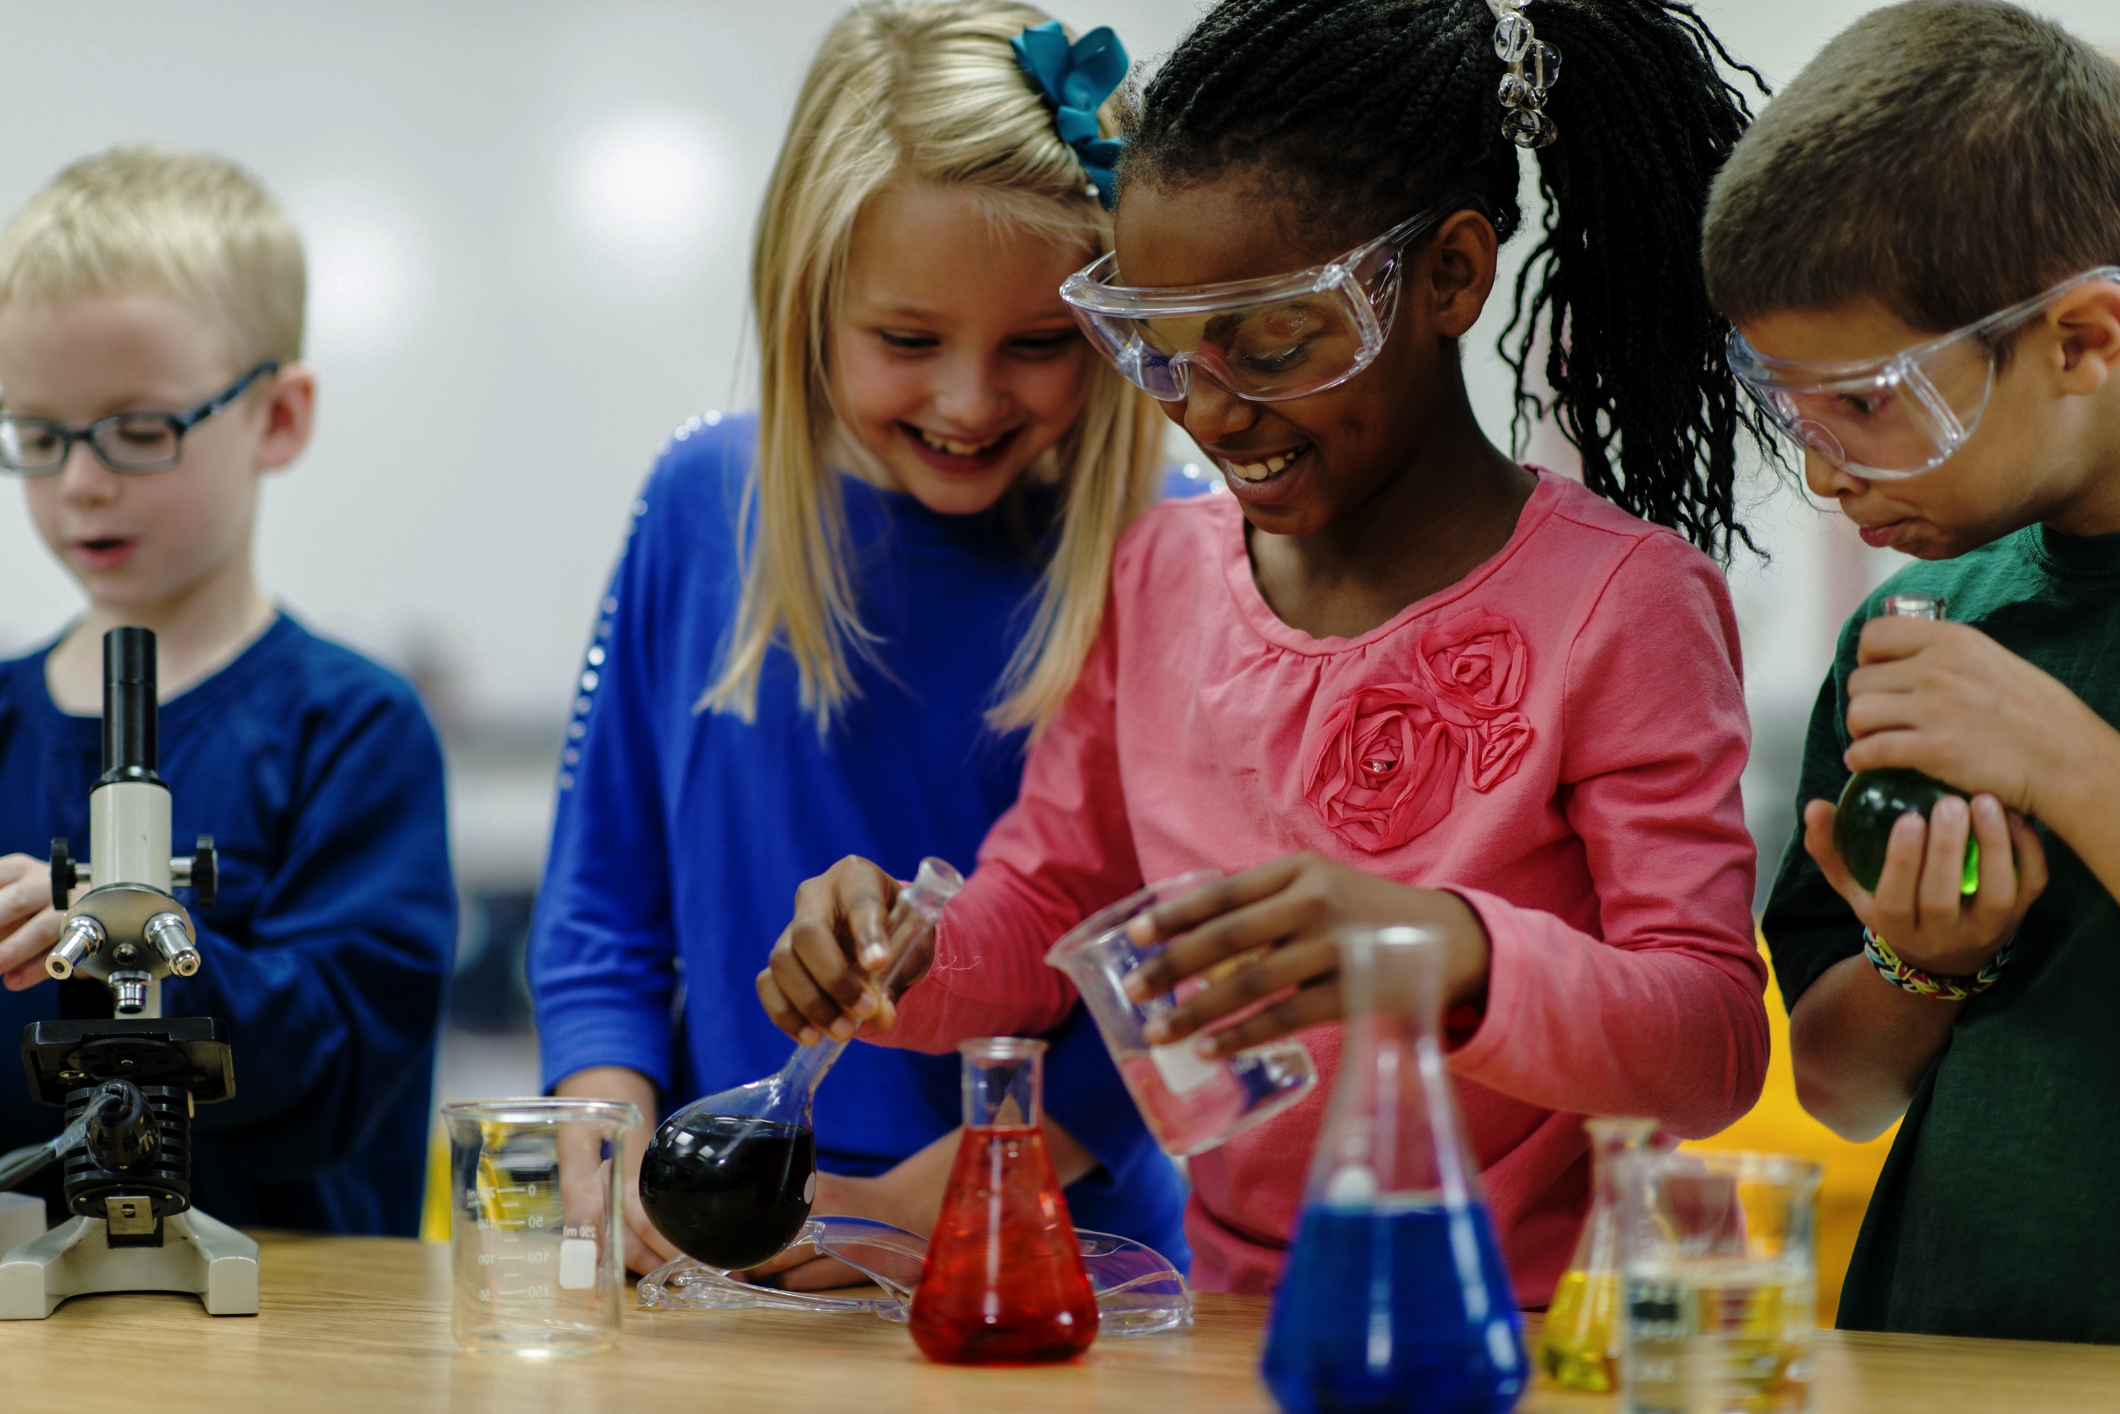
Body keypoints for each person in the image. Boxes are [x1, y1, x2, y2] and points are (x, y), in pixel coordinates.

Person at [762, 0, 1776, 1298]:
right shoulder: (1162, 577)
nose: (1213, 408)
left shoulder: (1621, 604)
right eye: (1162, 347)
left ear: (1451, 275)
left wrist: (1435, 951)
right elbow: (1039, 912)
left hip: (1556, 1322)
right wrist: (904, 949)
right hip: (1250, 1320)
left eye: (1273, 339)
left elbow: (1711, 1048)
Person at [528, 0, 1190, 1282]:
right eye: (905, 340)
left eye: (1042, 345)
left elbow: (1177, 983)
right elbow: (602, 912)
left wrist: (919, 1200)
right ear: (805, 300)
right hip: (721, 1264)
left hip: (1055, 1263)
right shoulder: (698, 503)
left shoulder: (1179, 556)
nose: (965, 399)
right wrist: (608, 1160)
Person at [1708, 1, 2120, 1345]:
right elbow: (1839, 1084)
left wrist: (2066, 761)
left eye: (1872, 403)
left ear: (2085, 339)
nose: (1827, 470)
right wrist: (1927, 962)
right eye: (1793, 407)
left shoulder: (1984, 685)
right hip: (1935, 1343)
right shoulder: (1922, 633)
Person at [0, 145, 454, 1235]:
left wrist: (125, 939)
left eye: (140, 430)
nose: (82, 482)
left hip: (284, 1330)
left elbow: (340, 1074)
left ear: (279, 417)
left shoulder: (350, 731)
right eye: (39, 436)